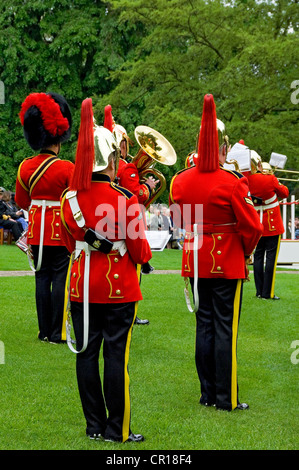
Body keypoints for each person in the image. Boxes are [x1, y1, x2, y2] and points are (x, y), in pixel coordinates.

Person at [60, 98, 152, 442]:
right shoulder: (125, 199)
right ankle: (118, 430)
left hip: (82, 285)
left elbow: (71, 244)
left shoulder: (70, 198)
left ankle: (94, 426)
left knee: (86, 354)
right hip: (119, 287)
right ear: (111, 159)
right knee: (116, 356)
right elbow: (141, 251)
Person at [170, 94, 263, 411]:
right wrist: (246, 252)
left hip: (195, 259)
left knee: (204, 326)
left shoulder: (180, 181)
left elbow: (181, 221)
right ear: (222, 147)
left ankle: (207, 394)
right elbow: (253, 228)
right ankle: (226, 398)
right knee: (226, 329)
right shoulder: (233, 182)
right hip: (226, 260)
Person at [15, 91, 74, 344]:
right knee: (60, 278)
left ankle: (43, 331)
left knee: (42, 279)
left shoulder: (25, 166)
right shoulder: (67, 167)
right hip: (59, 230)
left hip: (36, 228)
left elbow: (21, 201)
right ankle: (58, 332)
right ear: (58, 139)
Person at [104, 105, 156, 320]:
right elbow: (136, 195)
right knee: (131, 269)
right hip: (130, 222)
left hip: (107, 221)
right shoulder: (127, 168)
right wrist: (150, 187)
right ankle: (132, 314)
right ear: (122, 144)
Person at [246, 155, 289, 300]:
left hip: (257, 224)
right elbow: (284, 193)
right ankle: (268, 293)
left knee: (258, 257)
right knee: (270, 259)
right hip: (272, 225)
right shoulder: (270, 179)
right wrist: (276, 181)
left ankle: (259, 292)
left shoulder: (247, 180)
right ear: (258, 165)